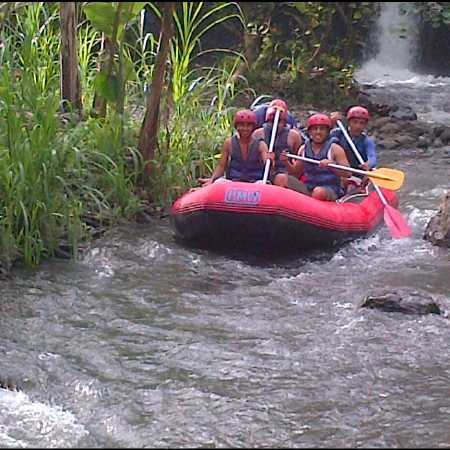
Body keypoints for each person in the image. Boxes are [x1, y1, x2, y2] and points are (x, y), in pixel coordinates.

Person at [199, 109, 270, 186]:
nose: (245, 128)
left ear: (253, 127)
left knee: (262, 184)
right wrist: (212, 180)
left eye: (248, 125)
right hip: (234, 182)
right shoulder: (229, 143)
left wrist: (269, 160)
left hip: (254, 182)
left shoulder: (261, 145)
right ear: (237, 126)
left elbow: (267, 162)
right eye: (242, 125)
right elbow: (221, 166)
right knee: (219, 183)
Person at [291, 113, 352, 201]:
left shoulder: (335, 148)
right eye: (315, 129)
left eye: (322, 129)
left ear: (328, 132)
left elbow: (348, 173)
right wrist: (286, 162)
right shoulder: (303, 148)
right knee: (281, 178)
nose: (318, 132)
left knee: (318, 192)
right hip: (309, 187)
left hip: (330, 188)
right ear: (310, 131)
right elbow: (295, 173)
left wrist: (332, 165)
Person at [251, 101, 305, 190]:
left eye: (278, 121)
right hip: (262, 174)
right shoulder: (258, 134)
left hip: (285, 176)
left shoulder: (294, 136)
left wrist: (286, 162)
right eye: (271, 122)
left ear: (284, 122)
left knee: (280, 178)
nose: (274, 125)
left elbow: (298, 169)